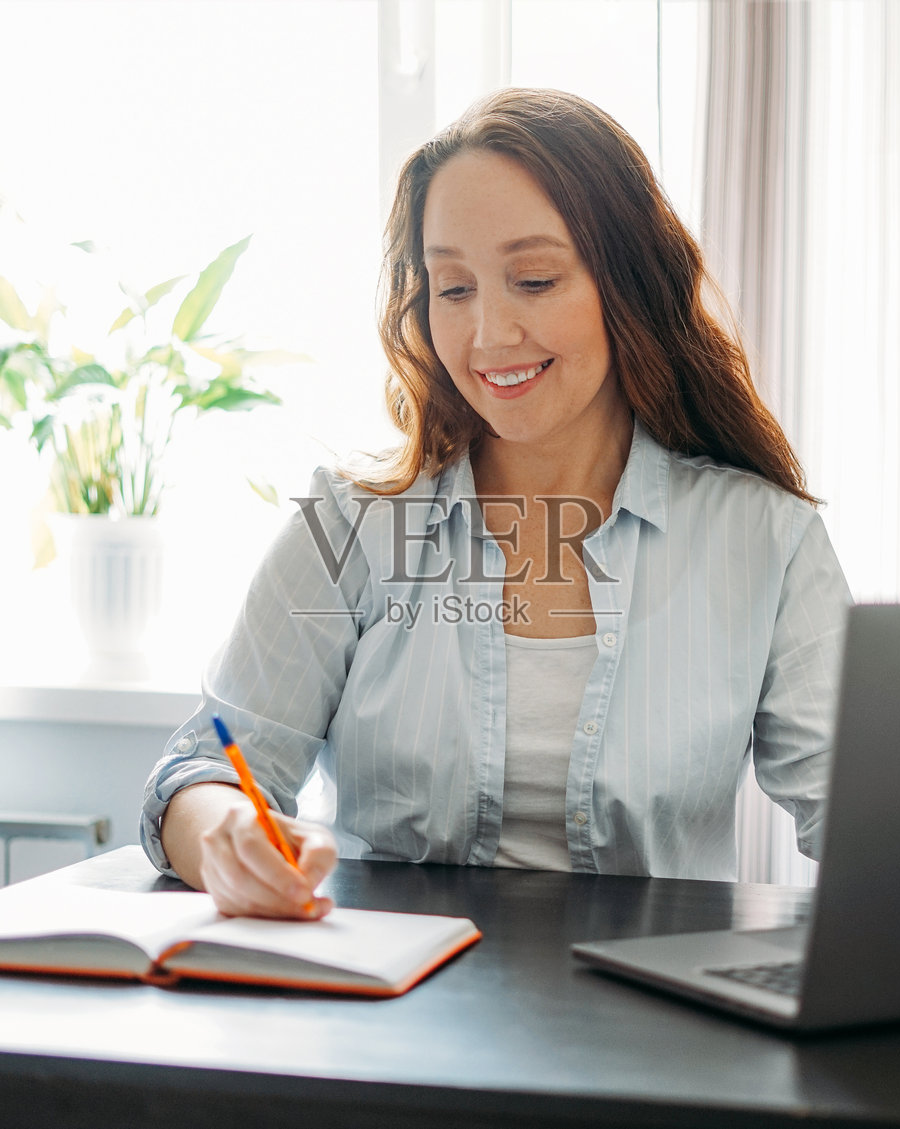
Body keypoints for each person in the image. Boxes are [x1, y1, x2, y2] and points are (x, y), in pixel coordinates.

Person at [141, 88, 851, 920]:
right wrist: (227, 833)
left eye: (534, 279)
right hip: (397, 990)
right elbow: (202, 770)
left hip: (650, 995)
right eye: (453, 288)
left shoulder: (766, 539)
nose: (488, 334)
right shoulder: (351, 525)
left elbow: (873, 818)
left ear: (628, 282)